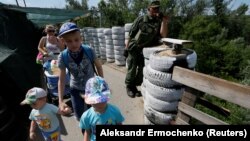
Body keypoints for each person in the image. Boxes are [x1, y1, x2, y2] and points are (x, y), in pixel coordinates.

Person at [57, 22, 104, 121]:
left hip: (93, 88)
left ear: (81, 38)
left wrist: (101, 83)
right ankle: (85, 133)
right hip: (75, 90)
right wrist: (60, 101)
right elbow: (61, 80)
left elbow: (99, 67)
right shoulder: (63, 56)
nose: (74, 44)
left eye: (76, 40)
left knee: (97, 114)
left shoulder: (89, 51)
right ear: (63, 41)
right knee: (80, 116)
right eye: (69, 41)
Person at [125, 0, 168, 98]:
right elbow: (131, 34)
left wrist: (164, 21)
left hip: (144, 50)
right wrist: (126, 48)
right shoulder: (141, 19)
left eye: (158, 8)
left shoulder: (158, 21)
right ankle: (129, 86)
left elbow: (163, 35)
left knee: (141, 70)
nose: (156, 10)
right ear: (149, 9)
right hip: (134, 47)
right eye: (154, 8)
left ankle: (134, 87)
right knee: (132, 68)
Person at [79, 76, 125, 141]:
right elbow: (87, 132)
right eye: (95, 101)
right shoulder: (86, 116)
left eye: (102, 100)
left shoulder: (115, 111)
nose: (99, 104)